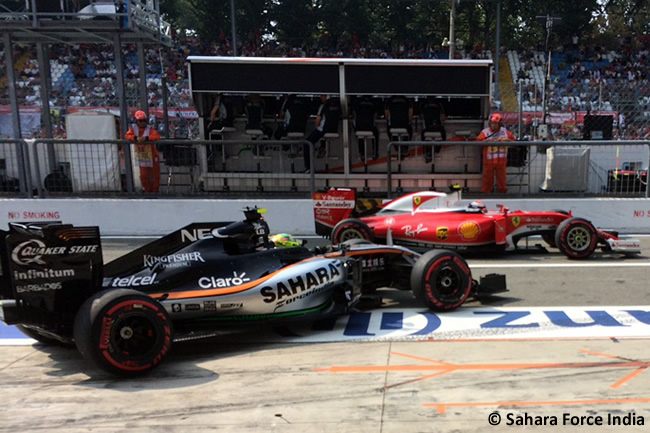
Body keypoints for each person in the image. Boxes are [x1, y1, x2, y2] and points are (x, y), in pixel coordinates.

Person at [476, 113, 515, 193]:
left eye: (496, 124)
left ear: (500, 124)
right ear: (490, 123)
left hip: (501, 161)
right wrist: (485, 142)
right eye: (492, 123)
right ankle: (486, 193)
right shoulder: (485, 132)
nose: (494, 125)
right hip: (489, 161)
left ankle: (502, 193)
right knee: (487, 178)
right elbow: (478, 141)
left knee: (502, 179)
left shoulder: (505, 132)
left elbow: (513, 141)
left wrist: (507, 141)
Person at [126, 110, 161, 193]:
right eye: (140, 121)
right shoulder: (133, 129)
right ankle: (147, 190)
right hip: (142, 156)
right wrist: (135, 138)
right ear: (136, 121)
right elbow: (127, 135)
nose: (143, 123)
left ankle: (155, 191)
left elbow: (157, 136)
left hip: (152, 155)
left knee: (155, 175)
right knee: (143, 175)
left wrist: (146, 138)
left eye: (144, 120)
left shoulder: (150, 129)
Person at [304, 95, 341, 172]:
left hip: (323, 130)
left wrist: (316, 128)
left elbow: (318, 119)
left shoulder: (323, 105)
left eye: (322, 95)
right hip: (334, 130)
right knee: (321, 135)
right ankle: (322, 147)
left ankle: (309, 168)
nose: (320, 97)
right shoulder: (338, 104)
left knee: (307, 143)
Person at [419, 96, 447, 162]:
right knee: (443, 136)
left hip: (427, 128)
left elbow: (421, 116)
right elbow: (443, 118)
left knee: (424, 137)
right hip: (438, 128)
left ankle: (428, 152)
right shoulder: (439, 103)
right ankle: (436, 150)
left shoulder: (423, 104)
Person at [353, 95, 379, 160]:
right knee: (376, 133)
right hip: (370, 127)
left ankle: (362, 153)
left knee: (359, 134)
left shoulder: (357, 101)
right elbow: (376, 114)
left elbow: (354, 113)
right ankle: (375, 152)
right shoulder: (374, 101)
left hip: (359, 127)